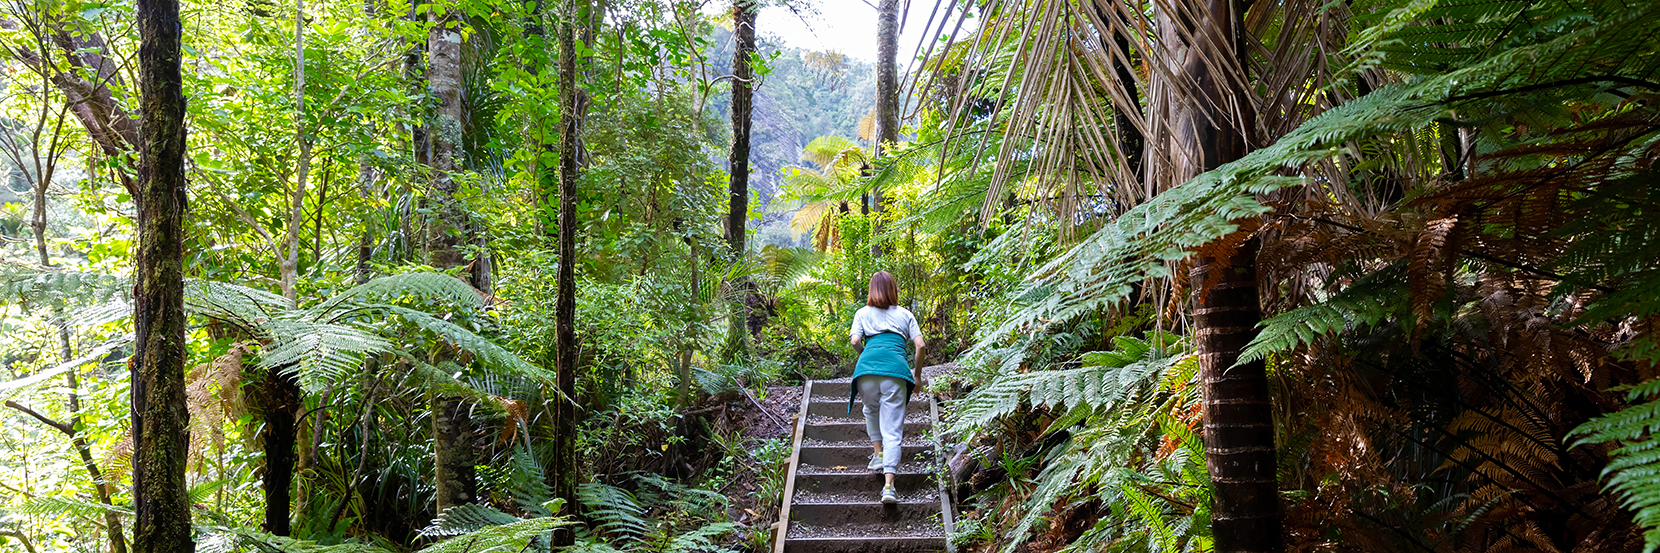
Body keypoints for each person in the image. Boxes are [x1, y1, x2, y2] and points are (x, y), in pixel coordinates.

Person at [848, 270, 926, 505]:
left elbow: (854, 341)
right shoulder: (905, 314)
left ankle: (878, 454)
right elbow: (920, 345)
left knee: (870, 410)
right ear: (893, 289)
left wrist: (867, 356)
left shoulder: (862, 313)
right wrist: (918, 375)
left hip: (866, 371)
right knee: (892, 428)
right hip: (896, 371)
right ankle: (889, 487)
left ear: (872, 289)